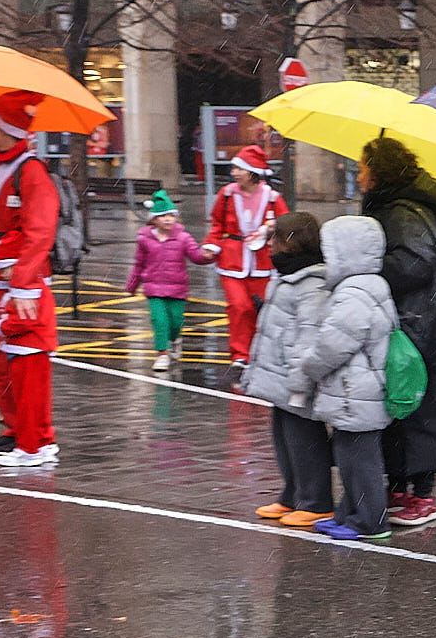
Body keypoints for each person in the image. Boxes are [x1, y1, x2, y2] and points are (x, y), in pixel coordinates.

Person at [357, 135, 436, 530]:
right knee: (409, 405)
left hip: (418, 322)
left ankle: (422, 493)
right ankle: (404, 486)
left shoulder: (400, 211)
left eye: (363, 167)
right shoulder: (415, 203)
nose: (358, 175)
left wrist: (371, 266)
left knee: (417, 407)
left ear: (379, 172)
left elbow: (414, 262)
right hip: (426, 321)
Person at [0, 92, 63, 468]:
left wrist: (21, 281)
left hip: (17, 281)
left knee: (25, 363)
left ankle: (34, 437)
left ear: (6, 128)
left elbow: (40, 231)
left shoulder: (30, 170)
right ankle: (15, 429)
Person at [295, 215, 398, 543]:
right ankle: (349, 513)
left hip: (358, 393)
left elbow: (335, 343)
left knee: (360, 461)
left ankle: (370, 521)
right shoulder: (368, 285)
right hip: (356, 392)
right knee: (350, 455)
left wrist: (309, 365)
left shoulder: (355, 292)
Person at [244, 212, 335, 529]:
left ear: (293, 243)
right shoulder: (287, 275)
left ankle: (317, 501)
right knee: (284, 438)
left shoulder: (312, 283)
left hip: (294, 378)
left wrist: (299, 382)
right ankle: (293, 494)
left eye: (275, 239)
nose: (269, 245)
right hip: (278, 374)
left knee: (304, 438)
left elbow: (308, 335)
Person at [200, 144, 288, 377]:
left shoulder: (272, 198)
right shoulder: (227, 194)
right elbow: (217, 224)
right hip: (232, 262)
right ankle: (240, 355)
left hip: (262, 264)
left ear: (252, 171)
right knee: (239, 307)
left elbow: (288, 226)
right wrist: (211, 245)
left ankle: (262, 354)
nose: (234, 173)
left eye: (239, 168)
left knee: (263, 311)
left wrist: (273, 230)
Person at [125, 190, 211, 371]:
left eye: (171, 215)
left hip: (177, 289)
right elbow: (139, 264)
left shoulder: (183, 238)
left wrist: (208, 256)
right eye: (163, 216)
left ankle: (175, 339)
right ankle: (162, 354)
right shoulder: (144, 239)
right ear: (154, 219)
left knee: (175, 321)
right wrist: (132, 285)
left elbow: (195, 255)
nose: (167, 219)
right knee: (159, 320)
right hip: (154, 289)